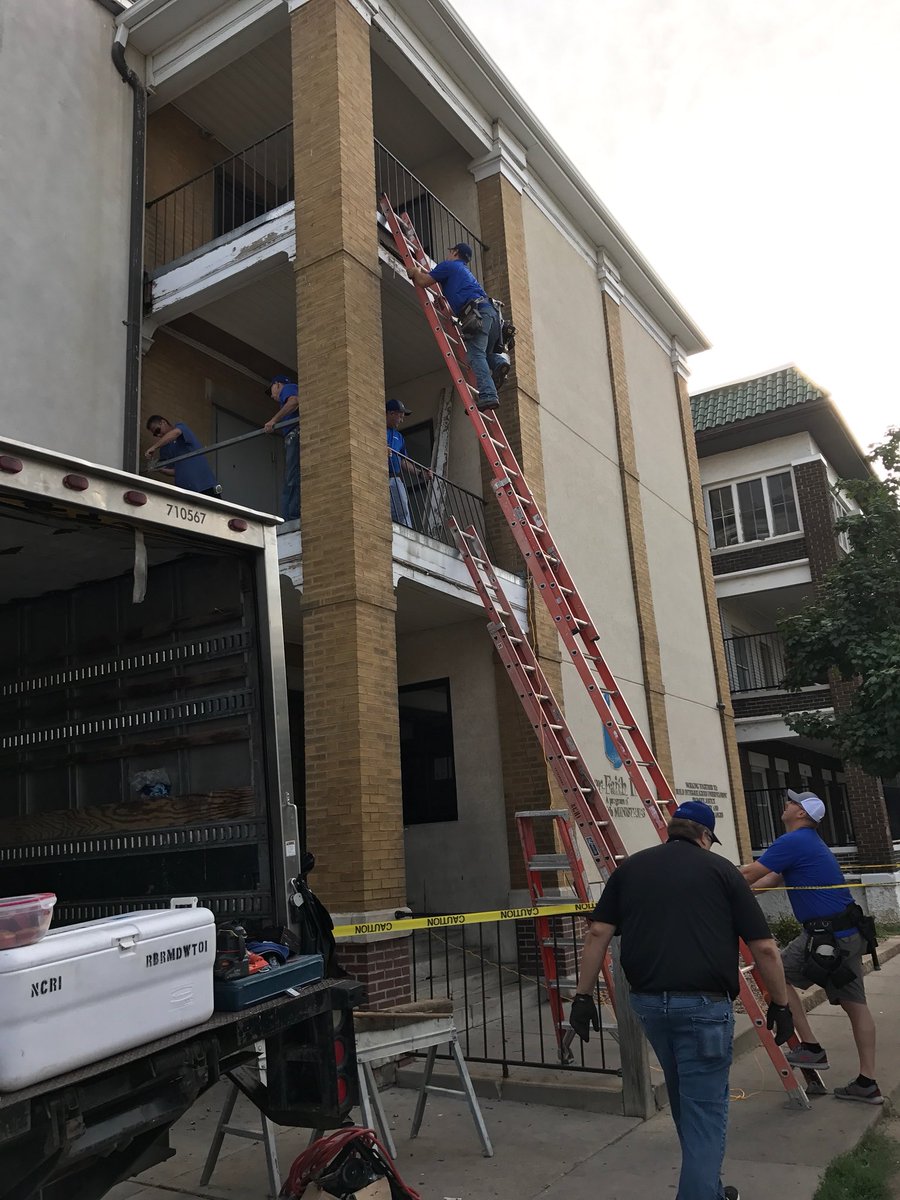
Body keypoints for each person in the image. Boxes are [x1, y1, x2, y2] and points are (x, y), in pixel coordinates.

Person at [570, 801, 794, 1200]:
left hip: (650, 1006)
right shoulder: (723, 871)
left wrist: (583, 996)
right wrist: (780, 1002)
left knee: (684, 1099)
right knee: (705, 1111)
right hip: (705, 1009)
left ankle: (706, 1187)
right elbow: (765, 948)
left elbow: (597, 933)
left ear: (672, 830)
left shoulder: (631, 869)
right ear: (705, 836)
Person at [739, 789, 882, 1105]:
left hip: (826, 936)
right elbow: (768, 880)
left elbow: (750, 873)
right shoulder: (806, 844)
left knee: (775, 971)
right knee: (856, 1005)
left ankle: (812, 1048)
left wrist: (706, 881)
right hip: (846, 933)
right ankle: (867, 1082)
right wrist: (739, 897)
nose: (786, 805)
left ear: (801, 813)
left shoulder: (795, 840)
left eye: (791, 802)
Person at [405, 243, 510, 412]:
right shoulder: (463, 272)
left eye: (450, 251)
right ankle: (499, 363)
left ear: (454, 252)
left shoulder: (449, 266)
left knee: (476, 355)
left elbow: (423, 282)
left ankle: (489, 395)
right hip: (492, 315)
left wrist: (416, 272)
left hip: (479, 314)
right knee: (485, 353)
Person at [145, 415, 220, 497]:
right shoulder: (164, 449)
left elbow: (176, 433)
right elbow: (175, 471)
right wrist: (160, 469)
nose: (158, 435)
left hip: (204, 484)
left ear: (163, 422)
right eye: (155, 434)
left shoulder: (180, 427)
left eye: (157, 430)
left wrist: (154, 447)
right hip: (186, 491)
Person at [385, 399, 431, 528]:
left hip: (394, 478)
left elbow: (403, 460)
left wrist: (420, 474)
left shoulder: (399, 436)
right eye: (400, 416)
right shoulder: (377, 429)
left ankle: (406, 536)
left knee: (403, 511)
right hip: (378, 476)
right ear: (391, 413)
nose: (402, 420)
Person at [263, 376, 300, 521]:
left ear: (278, 384)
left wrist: (274, 420)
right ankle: (288, 516)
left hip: (294, 435)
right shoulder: (286, 392)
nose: (272, 396)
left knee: (292, 476)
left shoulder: (289, 388)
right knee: (290, 477)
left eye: (271, 389)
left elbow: (294, 402)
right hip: (291, 437)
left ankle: (292, 516)